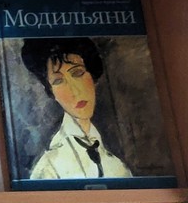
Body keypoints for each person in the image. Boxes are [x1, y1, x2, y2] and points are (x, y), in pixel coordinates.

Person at [19, 38, 132, 180]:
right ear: (51, 92)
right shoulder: (48, 168)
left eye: (78, 73)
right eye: (59, 81)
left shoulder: (118, 166)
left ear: (92, 76)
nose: (75, 91)